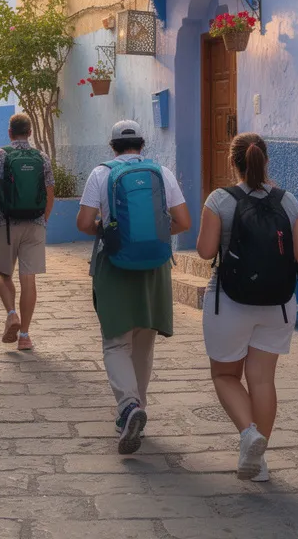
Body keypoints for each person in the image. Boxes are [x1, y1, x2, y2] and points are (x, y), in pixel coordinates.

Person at [195, 133, 298, 482]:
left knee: (225, 375)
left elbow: (203, 251)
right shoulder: (287, 201)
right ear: (266, 160)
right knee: (262, 379)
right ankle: (259, 463)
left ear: (234, 162)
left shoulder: (219, 200)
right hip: (278, 304)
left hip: (230, 301)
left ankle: (249, 435)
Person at [77, 120, 191, 455]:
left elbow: (84, 223)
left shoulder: (101, 173)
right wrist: (151, 232)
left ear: (112, 146)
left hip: (114, 264)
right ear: (142, 144)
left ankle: (128, 408)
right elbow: (183, 221)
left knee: (116, 343)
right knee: (143, 342)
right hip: (154, 266)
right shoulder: (162, 173)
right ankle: (136, 406)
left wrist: (112, 231)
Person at [0, 113, 54, 351]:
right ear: (30, 133)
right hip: (35, 223)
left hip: (6, 223)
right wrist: (43, 220)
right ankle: (25, 335)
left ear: (9, 132)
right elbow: (49, 193)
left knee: (4, 274)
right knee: (28, 279)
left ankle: (12, 314)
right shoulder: (41, 157)